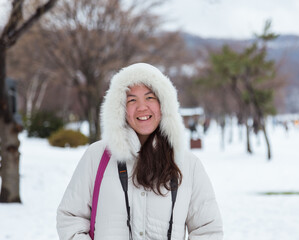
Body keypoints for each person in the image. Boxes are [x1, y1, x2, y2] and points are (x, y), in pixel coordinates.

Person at [56, 63, 223, 240]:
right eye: (132, 100)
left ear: (163, 104)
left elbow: (208, 230)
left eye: (150, 98)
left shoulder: (188, 164)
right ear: (120, 108)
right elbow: (70, 218)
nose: (142, 107)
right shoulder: (97, 156)